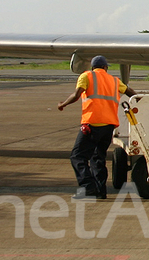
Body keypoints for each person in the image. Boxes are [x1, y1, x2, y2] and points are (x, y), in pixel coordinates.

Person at [58, 55, 136, 200]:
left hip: (92, 123)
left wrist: (63, 104)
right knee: (98, 158)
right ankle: (101, 191)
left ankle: (88, 187)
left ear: (93, 67)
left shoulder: (86, 76)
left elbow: (76, 95)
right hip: (109, 126)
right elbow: (131, 93)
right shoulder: (114, 80)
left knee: (77, 157)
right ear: (105, 67)